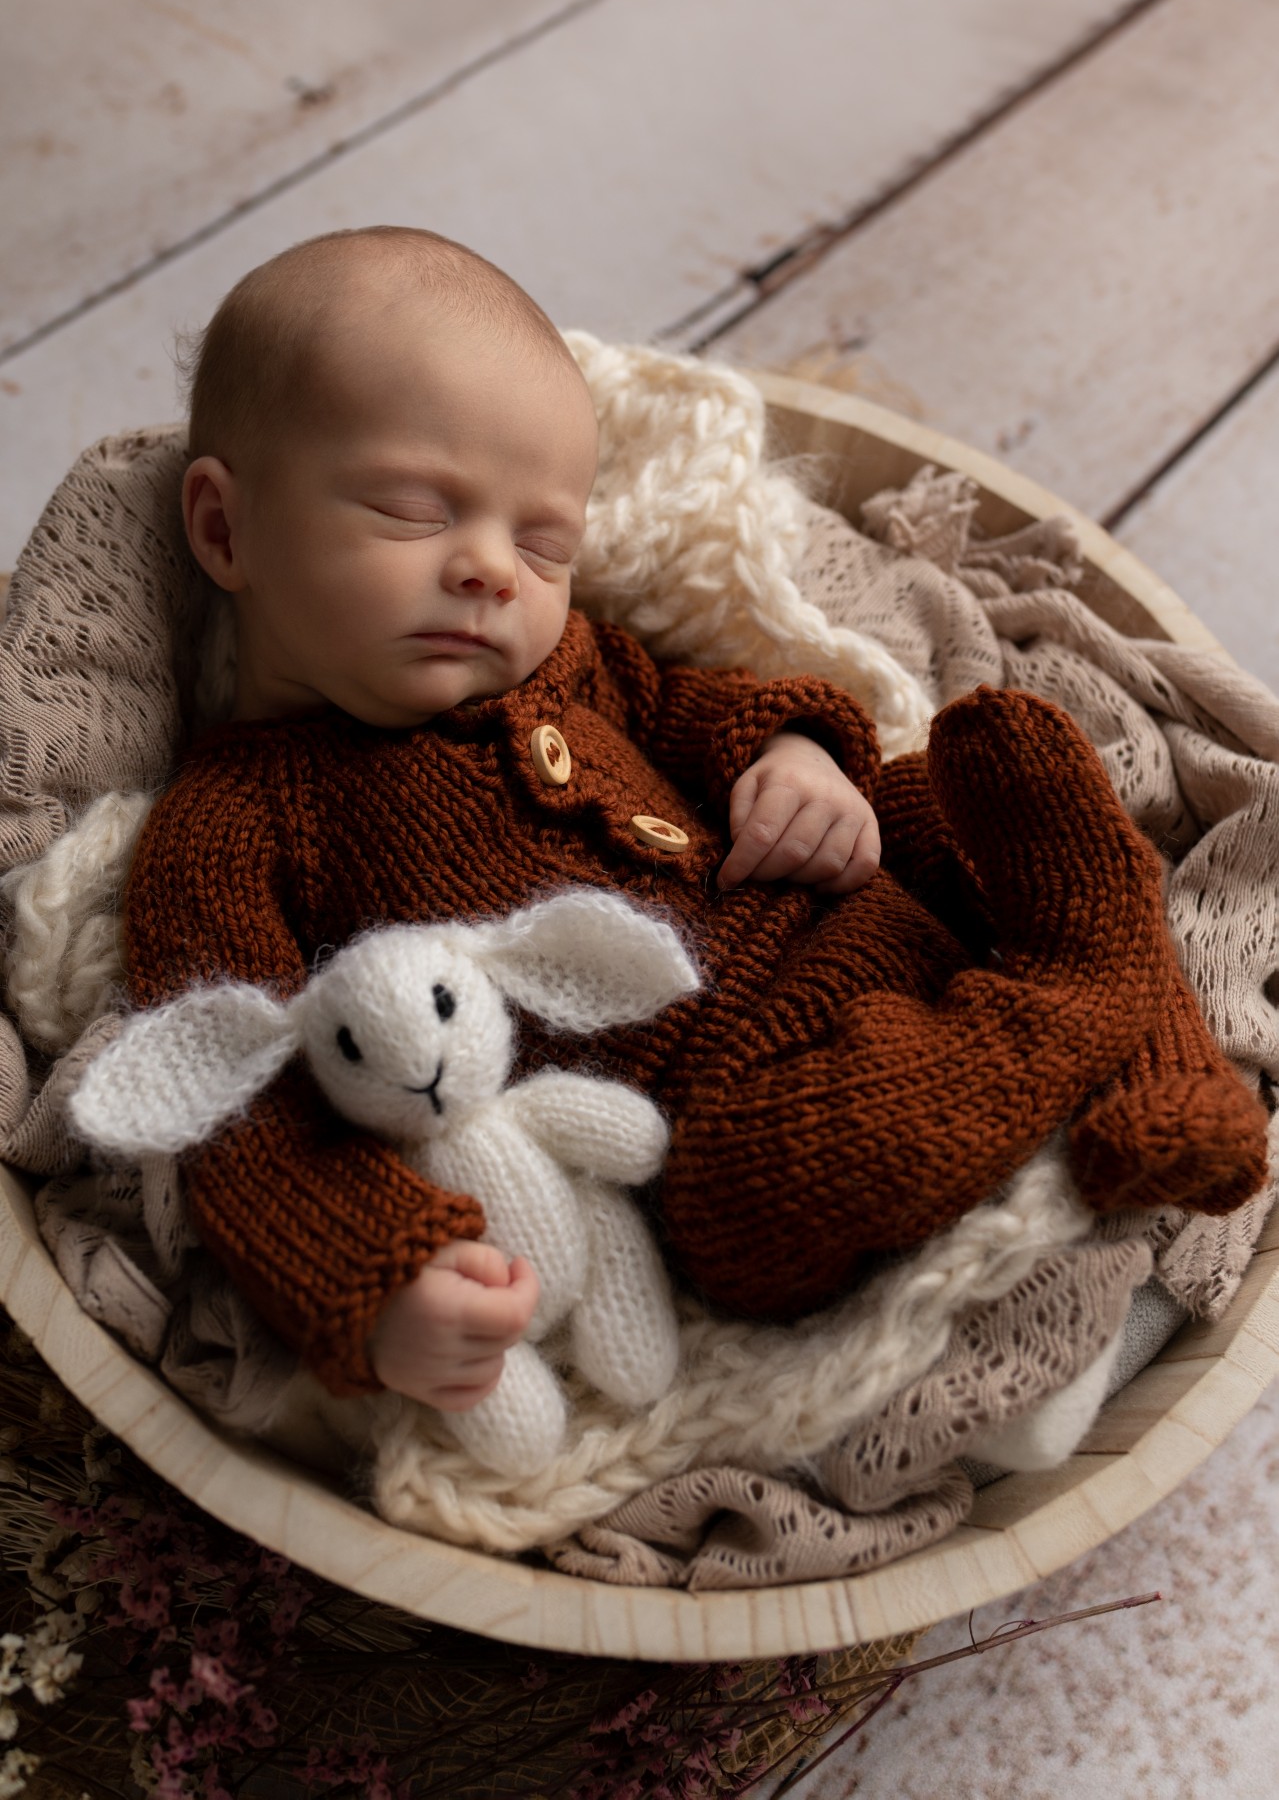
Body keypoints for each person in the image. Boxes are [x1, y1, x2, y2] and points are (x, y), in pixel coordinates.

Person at [123, 225, 1268, 1419]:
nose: (492, 571)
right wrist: (374, 1278)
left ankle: (1138, 1042)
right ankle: (1093, 996)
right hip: (744, 1097)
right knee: (746, 1210)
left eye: (541, 540)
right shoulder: (230, 825)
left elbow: (694, 702)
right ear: (224, 531)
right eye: (415, 512)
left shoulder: (572, 660)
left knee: (984, 767)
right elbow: (234, 1094)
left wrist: (795, 759)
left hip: (839, 895)